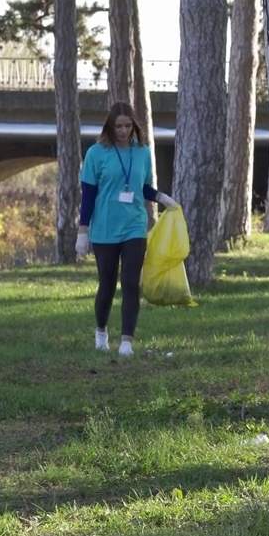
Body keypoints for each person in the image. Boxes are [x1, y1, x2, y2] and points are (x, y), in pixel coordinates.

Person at [76, 101, 178, 357]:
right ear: (110, 127)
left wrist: (162, 198)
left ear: (134, 126)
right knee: (107, 284)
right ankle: (101, 332)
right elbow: (88, 195)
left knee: (131, 283)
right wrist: (82, 231)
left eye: (127, 126)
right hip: (105, 229)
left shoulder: (142, 152)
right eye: (118, 126)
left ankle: (126, 342)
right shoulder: (96, 154)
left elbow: (143, 187)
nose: (123, 130)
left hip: (134, 225)